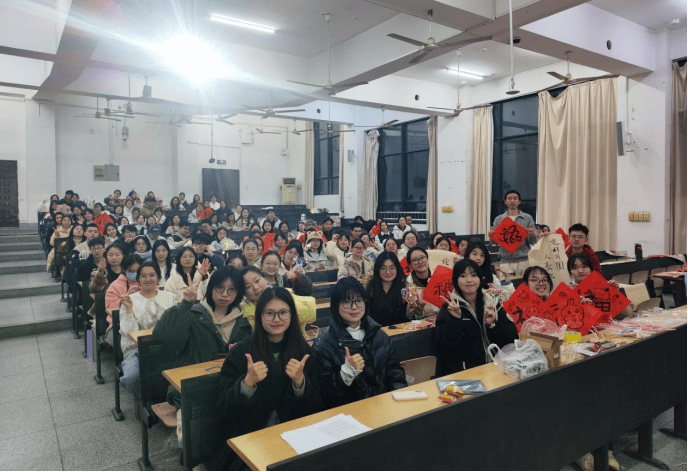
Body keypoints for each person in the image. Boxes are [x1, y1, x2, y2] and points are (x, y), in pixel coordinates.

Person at [214, 287, 320, 470]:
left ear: (292, 315)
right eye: (269, 313)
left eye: (283, 312)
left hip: (295, 440)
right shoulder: (241, 352)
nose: (276, 319)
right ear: (259, 316)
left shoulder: (304, 352)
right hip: (251, 442)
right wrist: (247, 384)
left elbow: (316, 408)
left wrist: (300, 384)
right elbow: (224, 409)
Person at [155, 266, 250, 406]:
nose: (225, 294)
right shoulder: (193, 313)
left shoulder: (244, 320)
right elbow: (168, 338)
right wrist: (186, 303)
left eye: (231, 290)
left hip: (229, 388)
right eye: (220, 288)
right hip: (192, 387)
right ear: (211, 288)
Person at [314, 277, 407, 409]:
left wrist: (399, 399)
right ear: (336, 305)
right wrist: (345, 373)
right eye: (347, 302)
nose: (354, 307)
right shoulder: (324, 343)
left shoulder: (378, 334)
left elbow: (394, 370)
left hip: (384, 408)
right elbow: (322, 392)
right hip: (349, 413)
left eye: (359, 300)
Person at [435, 259, 518, 376]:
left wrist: (492, 325)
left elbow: (512, 339)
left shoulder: (491, 303)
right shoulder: (449, 309)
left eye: (474, 275)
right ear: (456, 280)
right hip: (465, 374)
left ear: (480, 279)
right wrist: (455, 320)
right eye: (463, 276)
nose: (469, 280)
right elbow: (446, 350)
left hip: (495, 370)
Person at [119, 262, 176, 395]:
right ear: (138, 279)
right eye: (143, 276)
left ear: (158, 277)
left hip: (166, 347)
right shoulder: (129, 300)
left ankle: (169, 399)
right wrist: (129, 309)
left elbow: (174, 325)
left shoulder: (170, 297)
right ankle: (142, 400)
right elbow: (128, 332)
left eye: (152, 275)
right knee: (131, 378)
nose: (148, 279)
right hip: (136, 349)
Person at [489, 190, 537, 278]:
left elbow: (533, 241)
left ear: (519, 201)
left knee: (524, 284)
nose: (512, 201)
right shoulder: (499, 219)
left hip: (524, 260)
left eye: (515, 198)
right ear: (505, 201)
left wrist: (532, 234)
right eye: (509, 198)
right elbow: (494, 243)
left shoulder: (527, 218)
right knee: (506, 284)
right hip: (505, 260)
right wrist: (491, 236)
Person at [366, 252, 412, 327]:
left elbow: (408, 318)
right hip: (376, 331)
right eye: (383, 268)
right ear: (378, 269)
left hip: (399, 331)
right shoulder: (370, 289)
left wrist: (409, 313)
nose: (388, 272)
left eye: (392, 268)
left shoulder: (404, 290)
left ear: (397, 268)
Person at [405, 247, 437, 319]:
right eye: (415, 260)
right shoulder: (407, 284)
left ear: (427, 258)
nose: (420, 262)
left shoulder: (439, 276)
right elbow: (409, 316)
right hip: (422, 322)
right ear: (410, 264)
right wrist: (419, 310)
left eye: (422, 258)